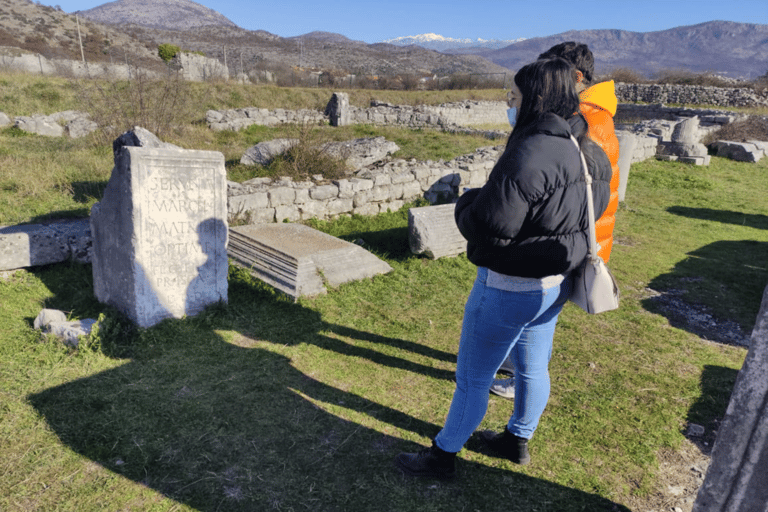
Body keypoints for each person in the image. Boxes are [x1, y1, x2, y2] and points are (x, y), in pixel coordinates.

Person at [395, 57, 612, 479]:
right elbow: (588, 210)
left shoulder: (530, 151)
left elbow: (490, 226)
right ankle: (518, 439)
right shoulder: (591, 152)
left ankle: (442, 457)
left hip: (510, 286)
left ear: (534, 99)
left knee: (474, 376)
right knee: (533, 367)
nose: (508, 104)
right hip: (555, 283)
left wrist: (466, 202)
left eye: (512, 96)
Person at [490, 42, 621, 400]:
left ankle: (522, 380)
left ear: (574, 78)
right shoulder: (592, 114)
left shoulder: (585, 121)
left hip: (567, 240)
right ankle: (519, 370)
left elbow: (570, 187)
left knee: (540, 320)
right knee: (539, 319)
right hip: (575, 235)